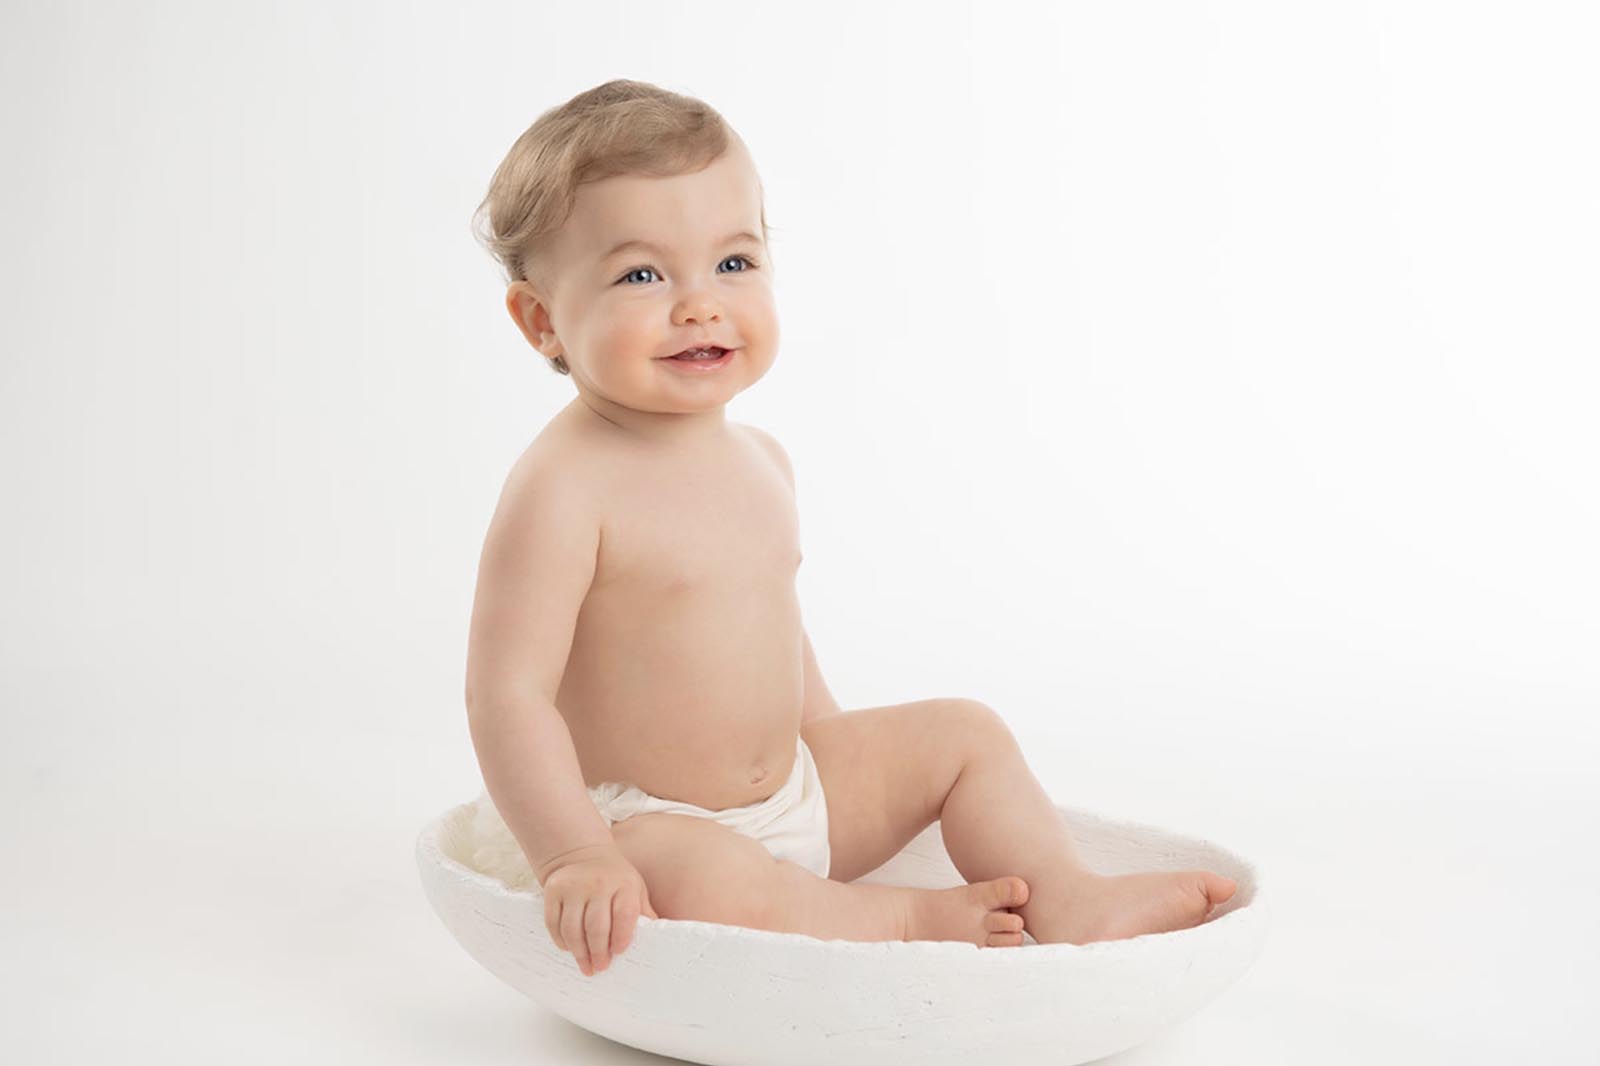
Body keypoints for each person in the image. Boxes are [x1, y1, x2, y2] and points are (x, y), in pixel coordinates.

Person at [464, 79, 1237, 979]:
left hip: (794, 792)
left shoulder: (762, 459)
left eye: (734, 263)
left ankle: (1065, 893)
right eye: (642, 275)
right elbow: (507, 695)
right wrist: (574, 854)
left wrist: (831, 752)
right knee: (701, 878)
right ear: (540, 320)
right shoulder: (563, 488)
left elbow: (772, 627)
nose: (700, 304)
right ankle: (896, 922)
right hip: (646, 822)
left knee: (965, 732)